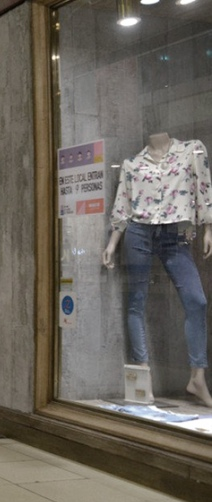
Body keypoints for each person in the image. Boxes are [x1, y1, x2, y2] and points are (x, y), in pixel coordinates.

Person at [103, 133, 212, 406]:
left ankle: (197, 377)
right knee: (136, 302)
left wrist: (208, 227)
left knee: (196, 301)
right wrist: (113, 242)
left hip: (175, 233)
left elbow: (204, 187)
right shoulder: (131, 163)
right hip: (139, 231)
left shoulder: (192, 150)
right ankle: (143, 377)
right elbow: (123, 202)